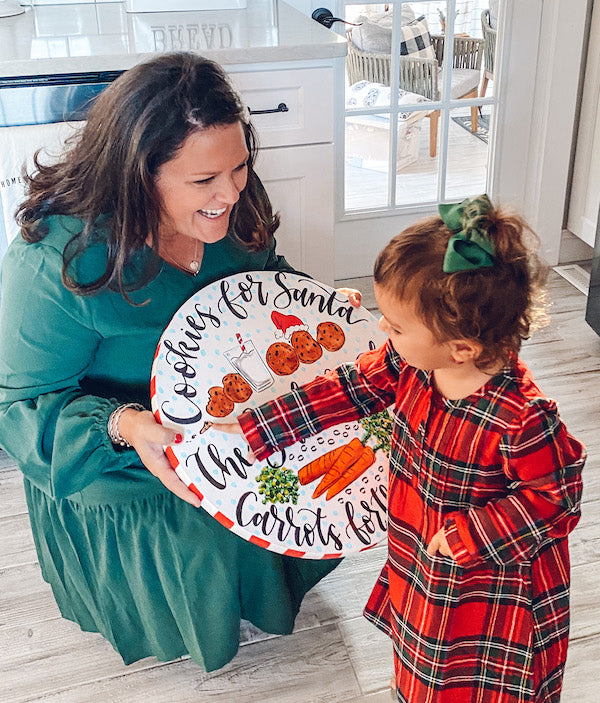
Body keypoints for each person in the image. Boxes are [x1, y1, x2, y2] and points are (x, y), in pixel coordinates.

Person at [0, 52, 355, 671]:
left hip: (244, 418)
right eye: (203, 183)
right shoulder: (56, 259)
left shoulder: (231, 199)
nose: (230, 193)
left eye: (239, 167)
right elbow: (18, 406)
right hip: (126, 462)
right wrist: (126, 426)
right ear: (138, 177)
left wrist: (317, 309)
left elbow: (263, 280)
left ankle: (259, 590)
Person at [221, 195, 585, 702]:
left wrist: (473, 533)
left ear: (462, 348)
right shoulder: (411, 364)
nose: (381, 329)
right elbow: (349, 387)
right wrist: (264, 423)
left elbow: (555, 498)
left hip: (489, 585)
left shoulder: (522, 418)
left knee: (479, 680)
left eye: (395, 324)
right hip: (422, 558)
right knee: (424, 660)